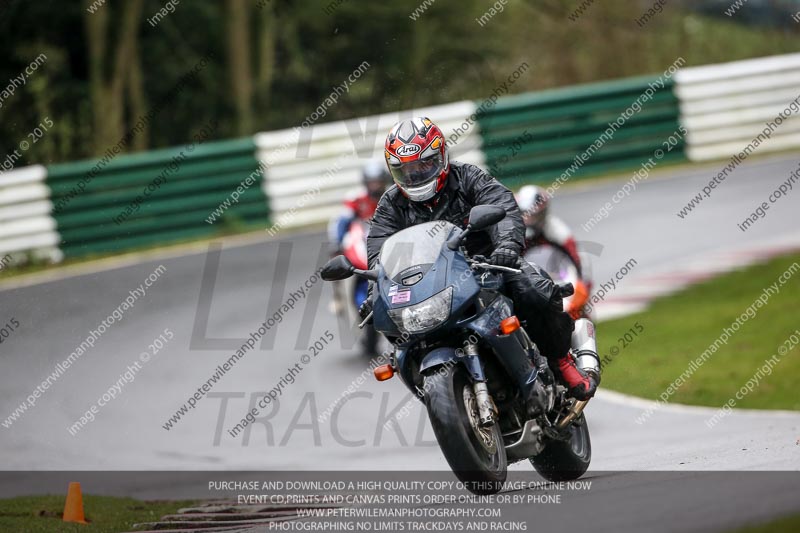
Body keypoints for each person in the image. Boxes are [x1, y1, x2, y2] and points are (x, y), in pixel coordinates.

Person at [364, 117, 598, 401]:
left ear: (441, 156)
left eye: (424, 164)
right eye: (406, 170)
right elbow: (379, 246)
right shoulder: (391, 203)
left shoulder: (468, 178)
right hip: (430, 281)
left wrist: (507, 246)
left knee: (533, 289)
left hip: (487, 264)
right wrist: (378, 286)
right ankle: (437, 391)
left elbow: (502, 205)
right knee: (395, 326)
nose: (416, 175)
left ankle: (561, 361)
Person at [516, 185, 582, 274]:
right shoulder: (512, 233)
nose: (527, 219)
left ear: (543, 212)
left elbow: (577, 259)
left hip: (554, 278)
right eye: (523, 213)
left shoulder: (559, 232)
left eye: (533, 215)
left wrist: (581, 282)